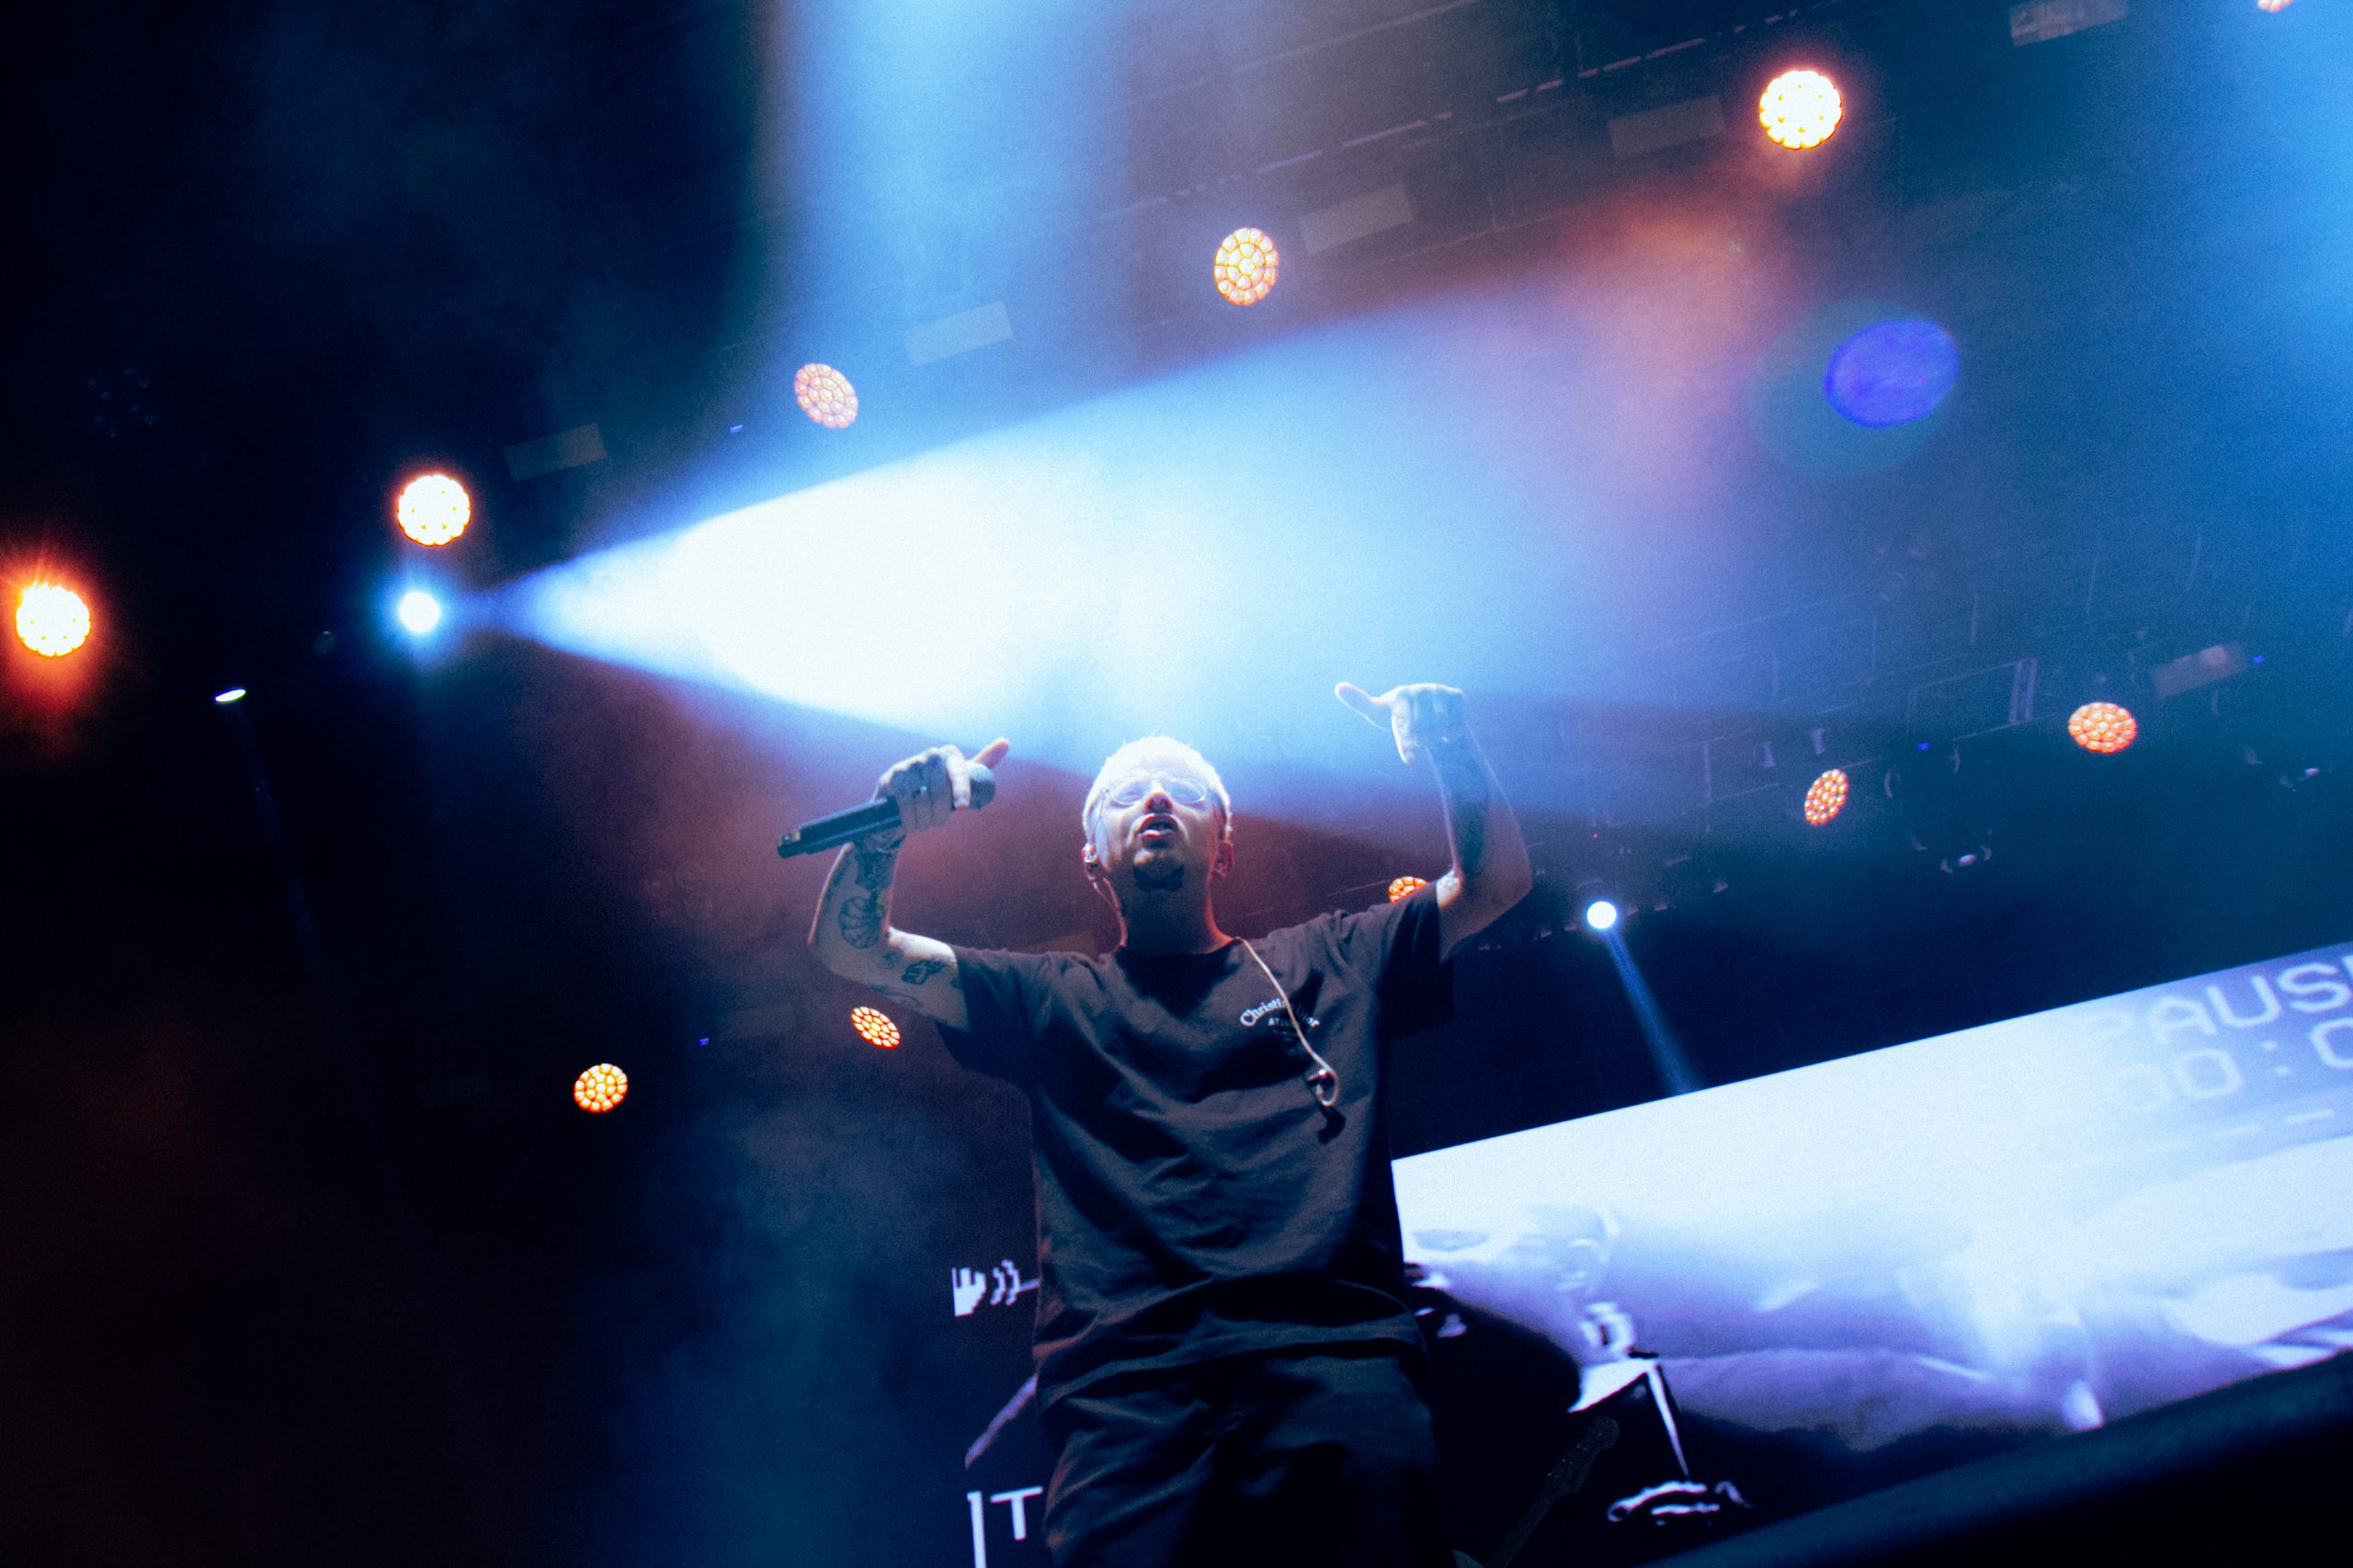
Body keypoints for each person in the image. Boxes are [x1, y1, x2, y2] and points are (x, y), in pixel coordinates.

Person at [809, 682, 1532, 1567]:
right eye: (1124, 794)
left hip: (1334, 1372)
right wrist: (885, 827)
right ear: (1092, 858)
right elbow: (853, 949)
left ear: (1223, 847)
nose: (1155, 797)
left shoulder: (1334, 958)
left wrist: (1452, 745)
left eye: (1184, 791)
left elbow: (1495, 884)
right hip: (1129, 1410)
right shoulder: (1048, 999)